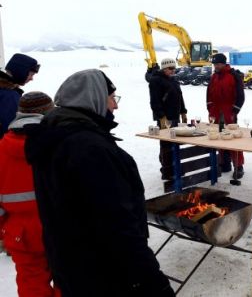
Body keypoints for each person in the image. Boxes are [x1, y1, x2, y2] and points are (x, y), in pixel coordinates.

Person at [23, 69, 174, 296]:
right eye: (112, 98)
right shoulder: (89, 149)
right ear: (93, 98)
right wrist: (154, 283)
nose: (115, 106)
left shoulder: (54, 136)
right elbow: (117, 227)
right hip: (104, 275)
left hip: (72, 267)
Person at [0, 92, 59, 297]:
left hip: (21, 234)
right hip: (60, 227)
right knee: (68, 280)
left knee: (31, 285)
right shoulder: (60, 144)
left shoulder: (1, 149)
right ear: (49, 112)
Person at [206, 53, 245, 180]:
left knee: (233, 139)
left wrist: (235, 110)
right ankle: (224, 164)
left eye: (217, 64)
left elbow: (240, 96)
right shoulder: (213, 77)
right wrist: (210, 108)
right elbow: (209, 95)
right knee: (218, 138)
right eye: (214, 64)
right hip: (216, 112)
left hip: (229, 112)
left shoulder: (234, 76)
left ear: (223, 63)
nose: (215, 66)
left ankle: (238, 167)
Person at [149, 57, 188, 179]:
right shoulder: (156, 80)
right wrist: (161, 117)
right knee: (166, 145)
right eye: (171, 68)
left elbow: (180, 97)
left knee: (175, 143)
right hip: (165, 119)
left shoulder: (173, 80)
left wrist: (183, 112)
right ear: (164, 68)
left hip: (175, 117)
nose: (173, 71)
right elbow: (154, 101)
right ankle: (166, 171)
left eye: (174, 68)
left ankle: (175, 167)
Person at [1, 53, 40, 138]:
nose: (31, 79)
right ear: (21, 71)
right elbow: (10, 129)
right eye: (31, 74)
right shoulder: (9, 96)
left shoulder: (6, 91)